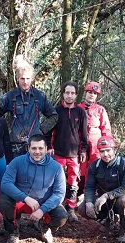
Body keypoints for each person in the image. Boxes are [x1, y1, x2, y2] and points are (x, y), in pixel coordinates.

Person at [0, 134, 68, 243]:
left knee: (61, 216)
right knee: (4, 200)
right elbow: (5, 183)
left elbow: (59, 194)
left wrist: (42, 210)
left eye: (40, 148)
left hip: (43, 204)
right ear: (28, 148)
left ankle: (44, 226)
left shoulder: (56, 167)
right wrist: (25, 198)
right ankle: (13, 231)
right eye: (34, 148)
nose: (37, 152)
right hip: (21, 201)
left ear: (46, 149)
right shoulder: (17, 162)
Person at [77, 136, 125, 242]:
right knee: (82, 208)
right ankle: (106, 220)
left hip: (120, 199)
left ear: (114, 149)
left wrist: (106, 195)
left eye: (108, 150)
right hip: (103, 202)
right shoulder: (94, 166)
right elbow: (90, 187)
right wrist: (89, 202)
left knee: (124, 201)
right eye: (102, 151)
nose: (105, 154)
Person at [45, 81, 88, 222]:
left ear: (76, 95)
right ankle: (55, 206)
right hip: (58, 152)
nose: (69, 96)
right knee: (55, 181)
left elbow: (84, 134)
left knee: (73, 182)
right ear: (63, 93)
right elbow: (47, 130)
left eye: (72, 93)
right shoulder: (56, 111)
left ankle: (71, 208)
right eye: (67, 92)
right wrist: (49, 147)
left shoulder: (81, 112)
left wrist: (83, 150)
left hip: (74, 154)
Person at [0, 61, 57, 161]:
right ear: (17, 79)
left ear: (32, 79)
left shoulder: (40, 96)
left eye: (27, 78)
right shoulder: (10, 96)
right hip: (15, 148)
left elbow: (54, 116)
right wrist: (4, 133)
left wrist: (41, 130)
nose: (25, 81)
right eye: (22, 78)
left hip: (35, 147)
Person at [77, 81, 112, 196]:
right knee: (80, 168)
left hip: (95, 143)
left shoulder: (100, 109)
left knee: (95, 167)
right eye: (90, 92)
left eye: (94, 93)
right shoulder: (77, 108)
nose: (92, 95)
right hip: (80, 142)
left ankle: (94, 192)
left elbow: (106, 129)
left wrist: (107, 146)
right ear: (85, 93)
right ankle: (79, 192)